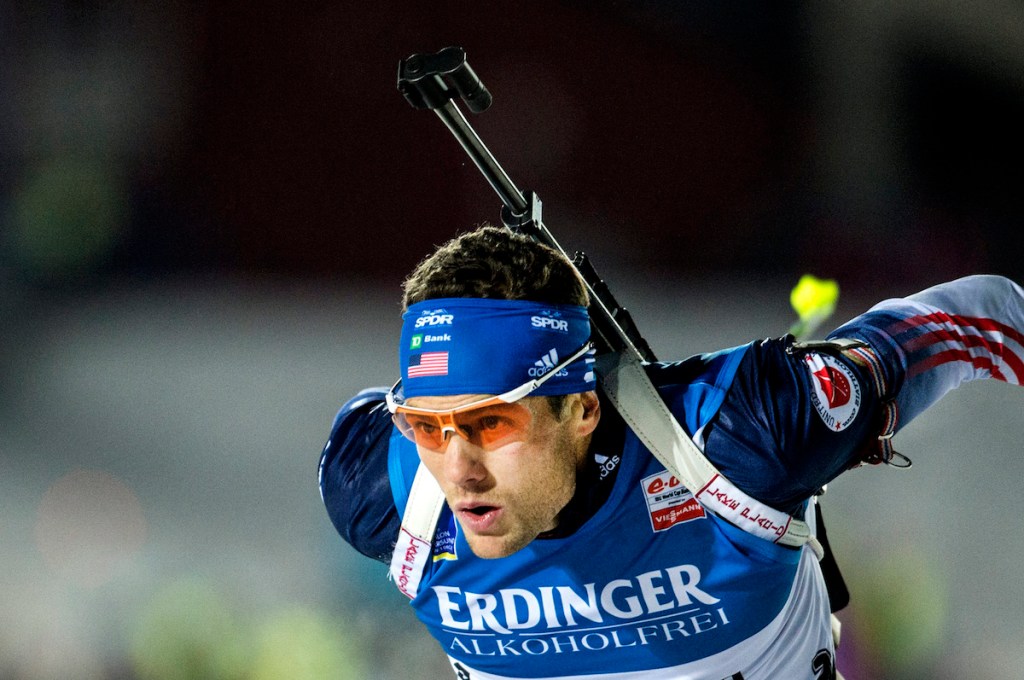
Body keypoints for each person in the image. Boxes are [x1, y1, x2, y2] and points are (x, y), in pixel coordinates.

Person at [318, 225, 1024, 679]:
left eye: (493, 424)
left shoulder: (746, 434)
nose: (458, 469)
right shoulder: (380, 488)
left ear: (583, 409)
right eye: (428, 425)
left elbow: (976, 314)